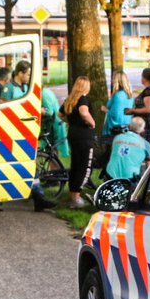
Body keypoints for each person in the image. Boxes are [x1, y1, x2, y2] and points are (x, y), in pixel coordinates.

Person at [63, 75, 97, 208]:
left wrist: (72, 122)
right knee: (85, 167)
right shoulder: (83, 99)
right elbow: (84, 112)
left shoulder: (70, 99)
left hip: (73, 134)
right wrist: (92, 122)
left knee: (75, 165)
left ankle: (72, 194)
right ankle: (77, 197)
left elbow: (61, 114)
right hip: (85, 137)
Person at [104, 113, 150, 181]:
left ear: (129, 126)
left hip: (109, 176)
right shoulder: (146, 144)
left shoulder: (117, 137)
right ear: (143, 130)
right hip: (129, 179)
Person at [103, 71, 133, 136]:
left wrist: (105, 110)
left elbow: (114, 113)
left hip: (115, 128)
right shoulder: (130, 95)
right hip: (126, 125)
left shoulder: (117, 95)